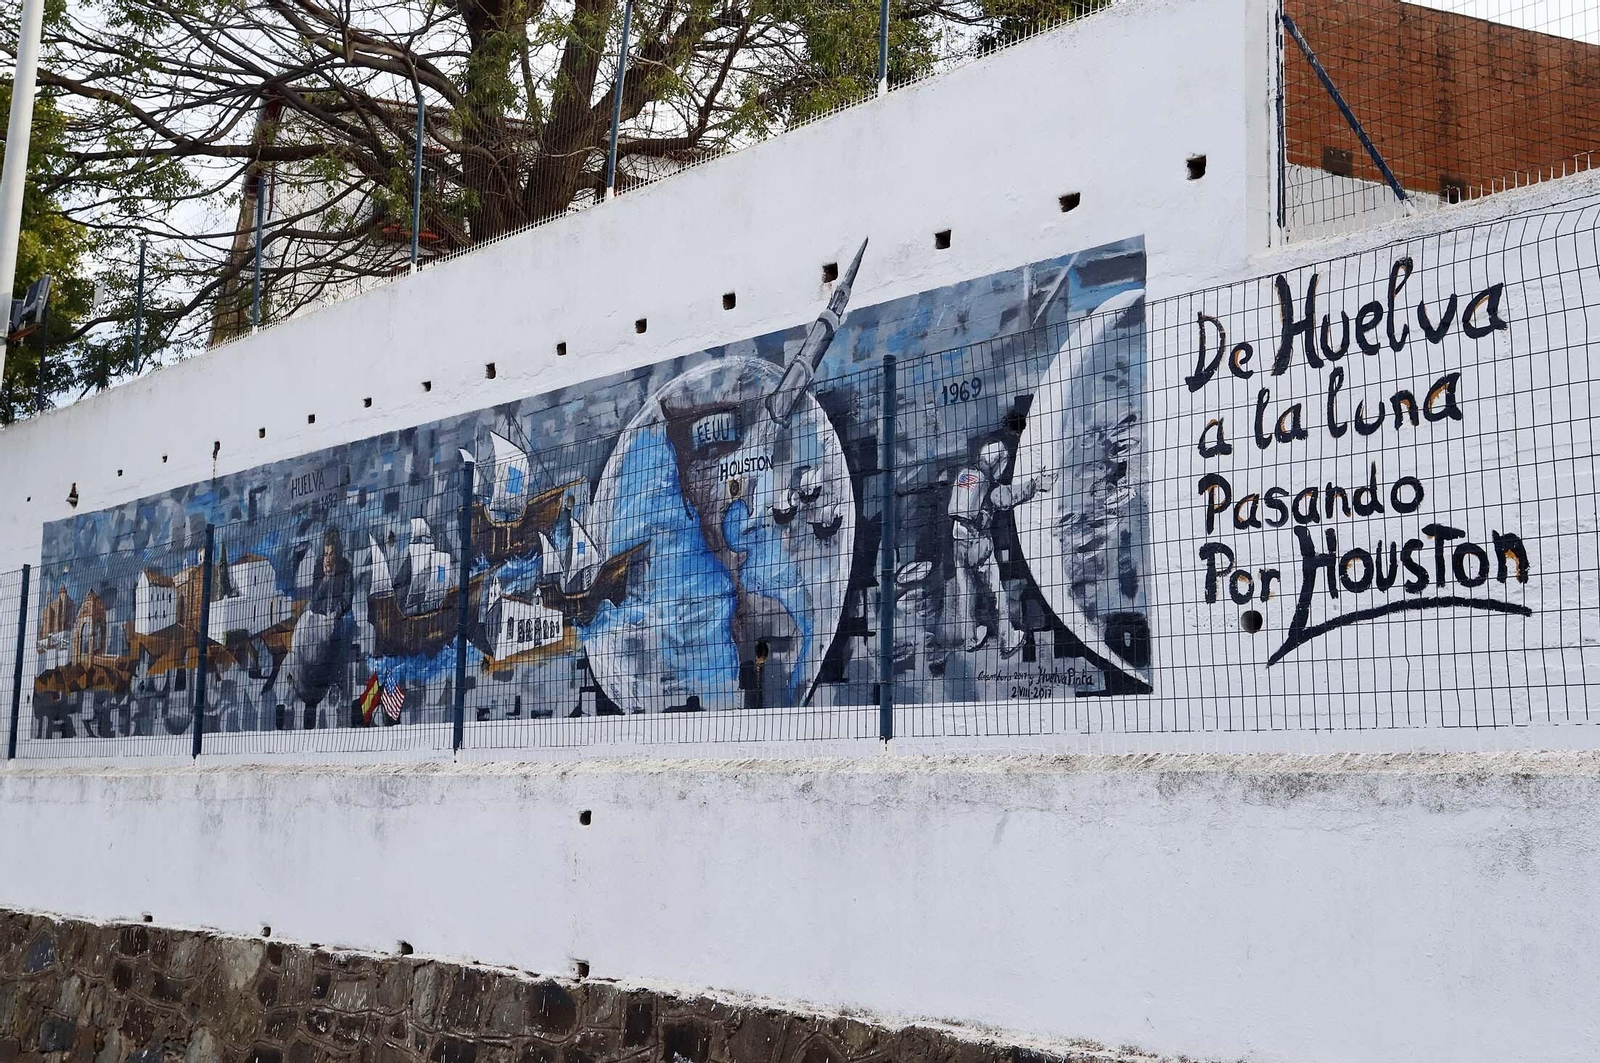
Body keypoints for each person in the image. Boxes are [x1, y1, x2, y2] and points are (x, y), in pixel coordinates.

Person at [948, 440, 1056, 657]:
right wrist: (1036, 484)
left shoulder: (965, 476)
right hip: (978, 542)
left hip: (957, 540)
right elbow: (1008, 496)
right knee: (997, 593)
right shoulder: (989, 487)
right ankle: (1008, 641)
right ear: (998, 464)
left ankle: (970, 639)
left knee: (965, 592)